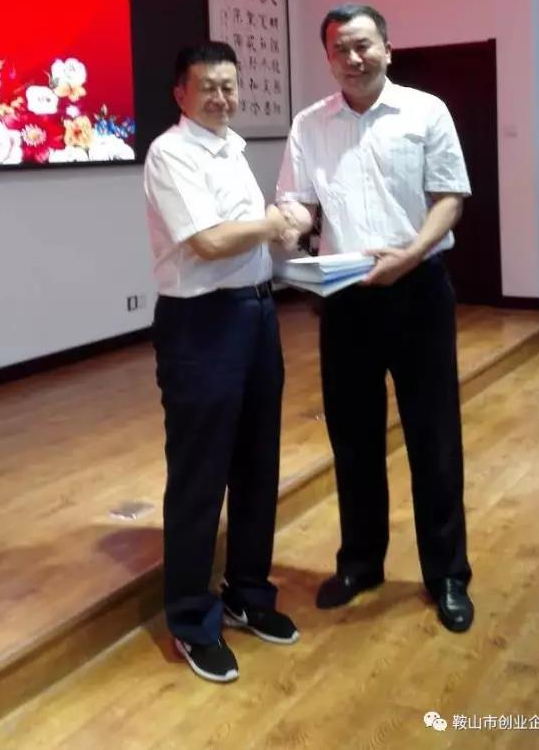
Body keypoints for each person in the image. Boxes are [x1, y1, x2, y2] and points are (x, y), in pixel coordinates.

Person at [276, 4, 474, 632]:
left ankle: (447, 574)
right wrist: (289, 228)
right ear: (328, 58)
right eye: (340, 49)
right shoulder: (309, 125)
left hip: (417, 289)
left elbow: (450, 197)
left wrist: (411, 254)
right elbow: (299, 203)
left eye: (363, 45)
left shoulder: (425, 111)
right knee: (353, 439)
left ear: (388, 47)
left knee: (433, 438)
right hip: (344, 298)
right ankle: (361, 563)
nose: (353, 58)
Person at [144, 41, 299, 685]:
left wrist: (281, 234)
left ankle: (248, 592)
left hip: (257, 314)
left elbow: (245, 235)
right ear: (180, 93)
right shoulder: (170, 153)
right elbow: (207, 241)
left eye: (230, 86)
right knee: (200, 474)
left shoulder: (231, 147)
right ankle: (190, 619)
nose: (222, 97)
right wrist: (274, 222)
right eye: (208, 86)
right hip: (201, 324)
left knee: (258, 463)